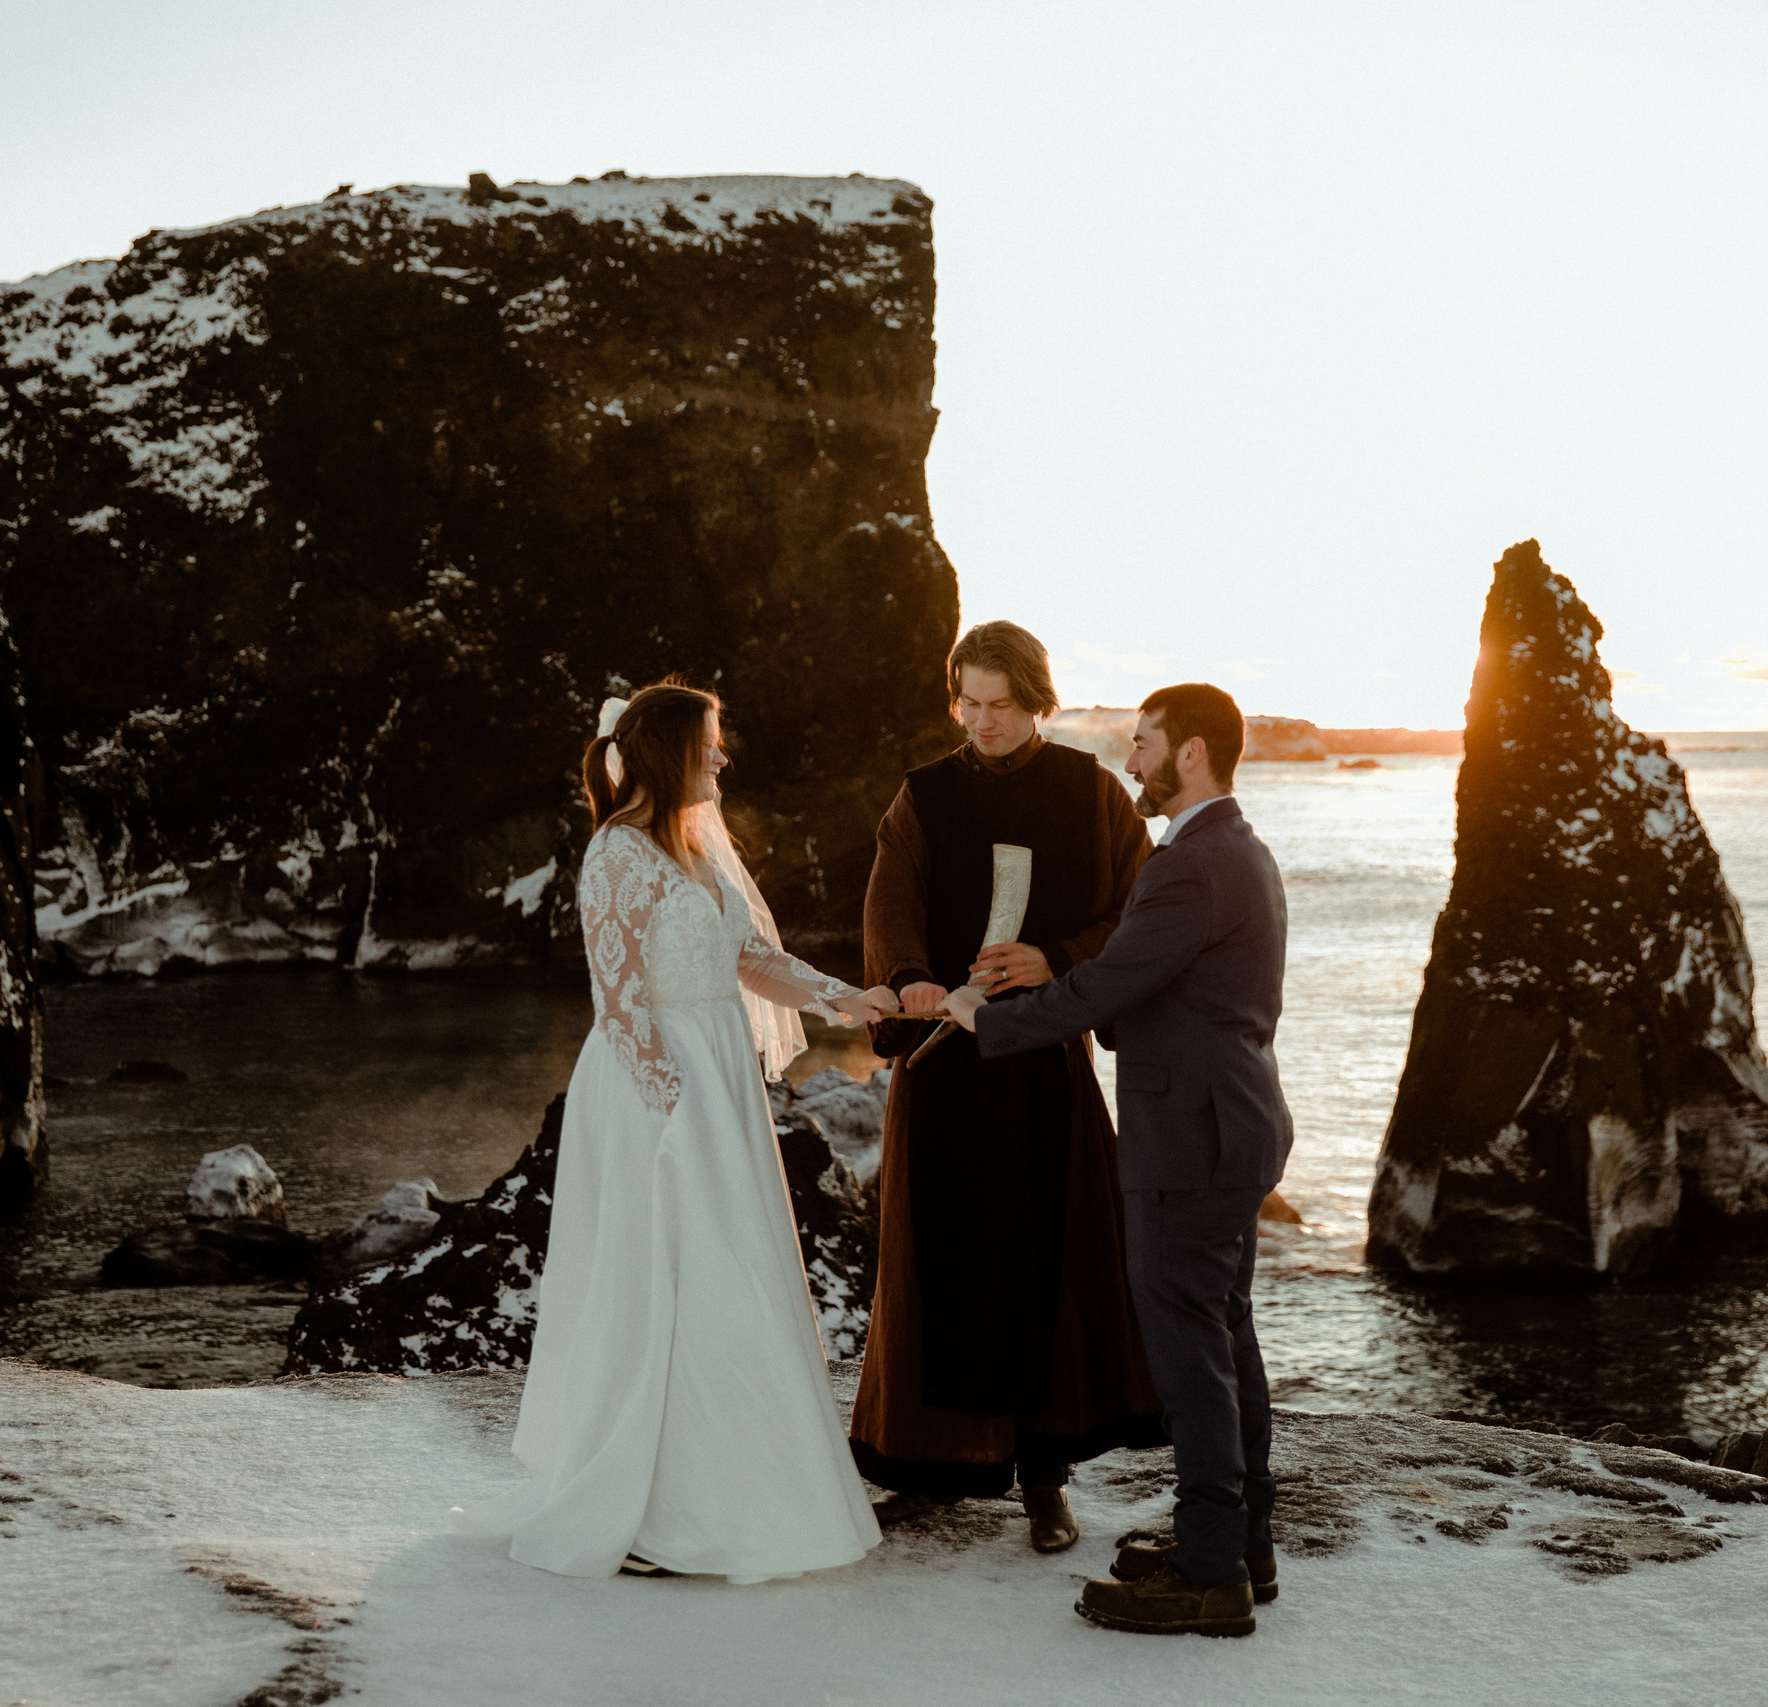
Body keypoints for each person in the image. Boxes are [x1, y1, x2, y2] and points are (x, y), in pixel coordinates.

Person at [458, 681, 899, 1582]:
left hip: (717, 1075)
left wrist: (846, 999)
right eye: (712, 742)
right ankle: (653, 1511)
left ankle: (731, 1491)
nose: (725, 757)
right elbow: (617, 1001)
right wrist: (673, 1102)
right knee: (665, 1282)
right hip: (651, 1087)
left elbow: (751, 959)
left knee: (731, 1277)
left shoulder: (697, 847)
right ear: (670, 750)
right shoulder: (618, 854)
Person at [943, 682, 1295, 1638]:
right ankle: (1242, 1543)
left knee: (1192, 1353)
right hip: (1234, 1126)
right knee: (1224, 1338)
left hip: (1187, 1137)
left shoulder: (1190, 865)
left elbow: (1105, 984)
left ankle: (1211, 1570)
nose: (1128, 760)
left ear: (1189, 754)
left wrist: (988, 1019)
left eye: (1141, 744)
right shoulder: (1241, 850)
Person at [849, 621, 1168, 1554]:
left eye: (1002, 704)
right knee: (934, 1260)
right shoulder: (924, 796)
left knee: (1049, 1263)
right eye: (969, 703)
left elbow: (1139, 915)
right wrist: (908, 973)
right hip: (944, 1067)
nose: (982, 721)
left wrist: (1055, 958)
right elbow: (890, 900)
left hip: (1044, 1071)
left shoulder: (1093, 794)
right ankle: (929, 1464)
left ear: (1038, 703)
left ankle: (1045, 1479)